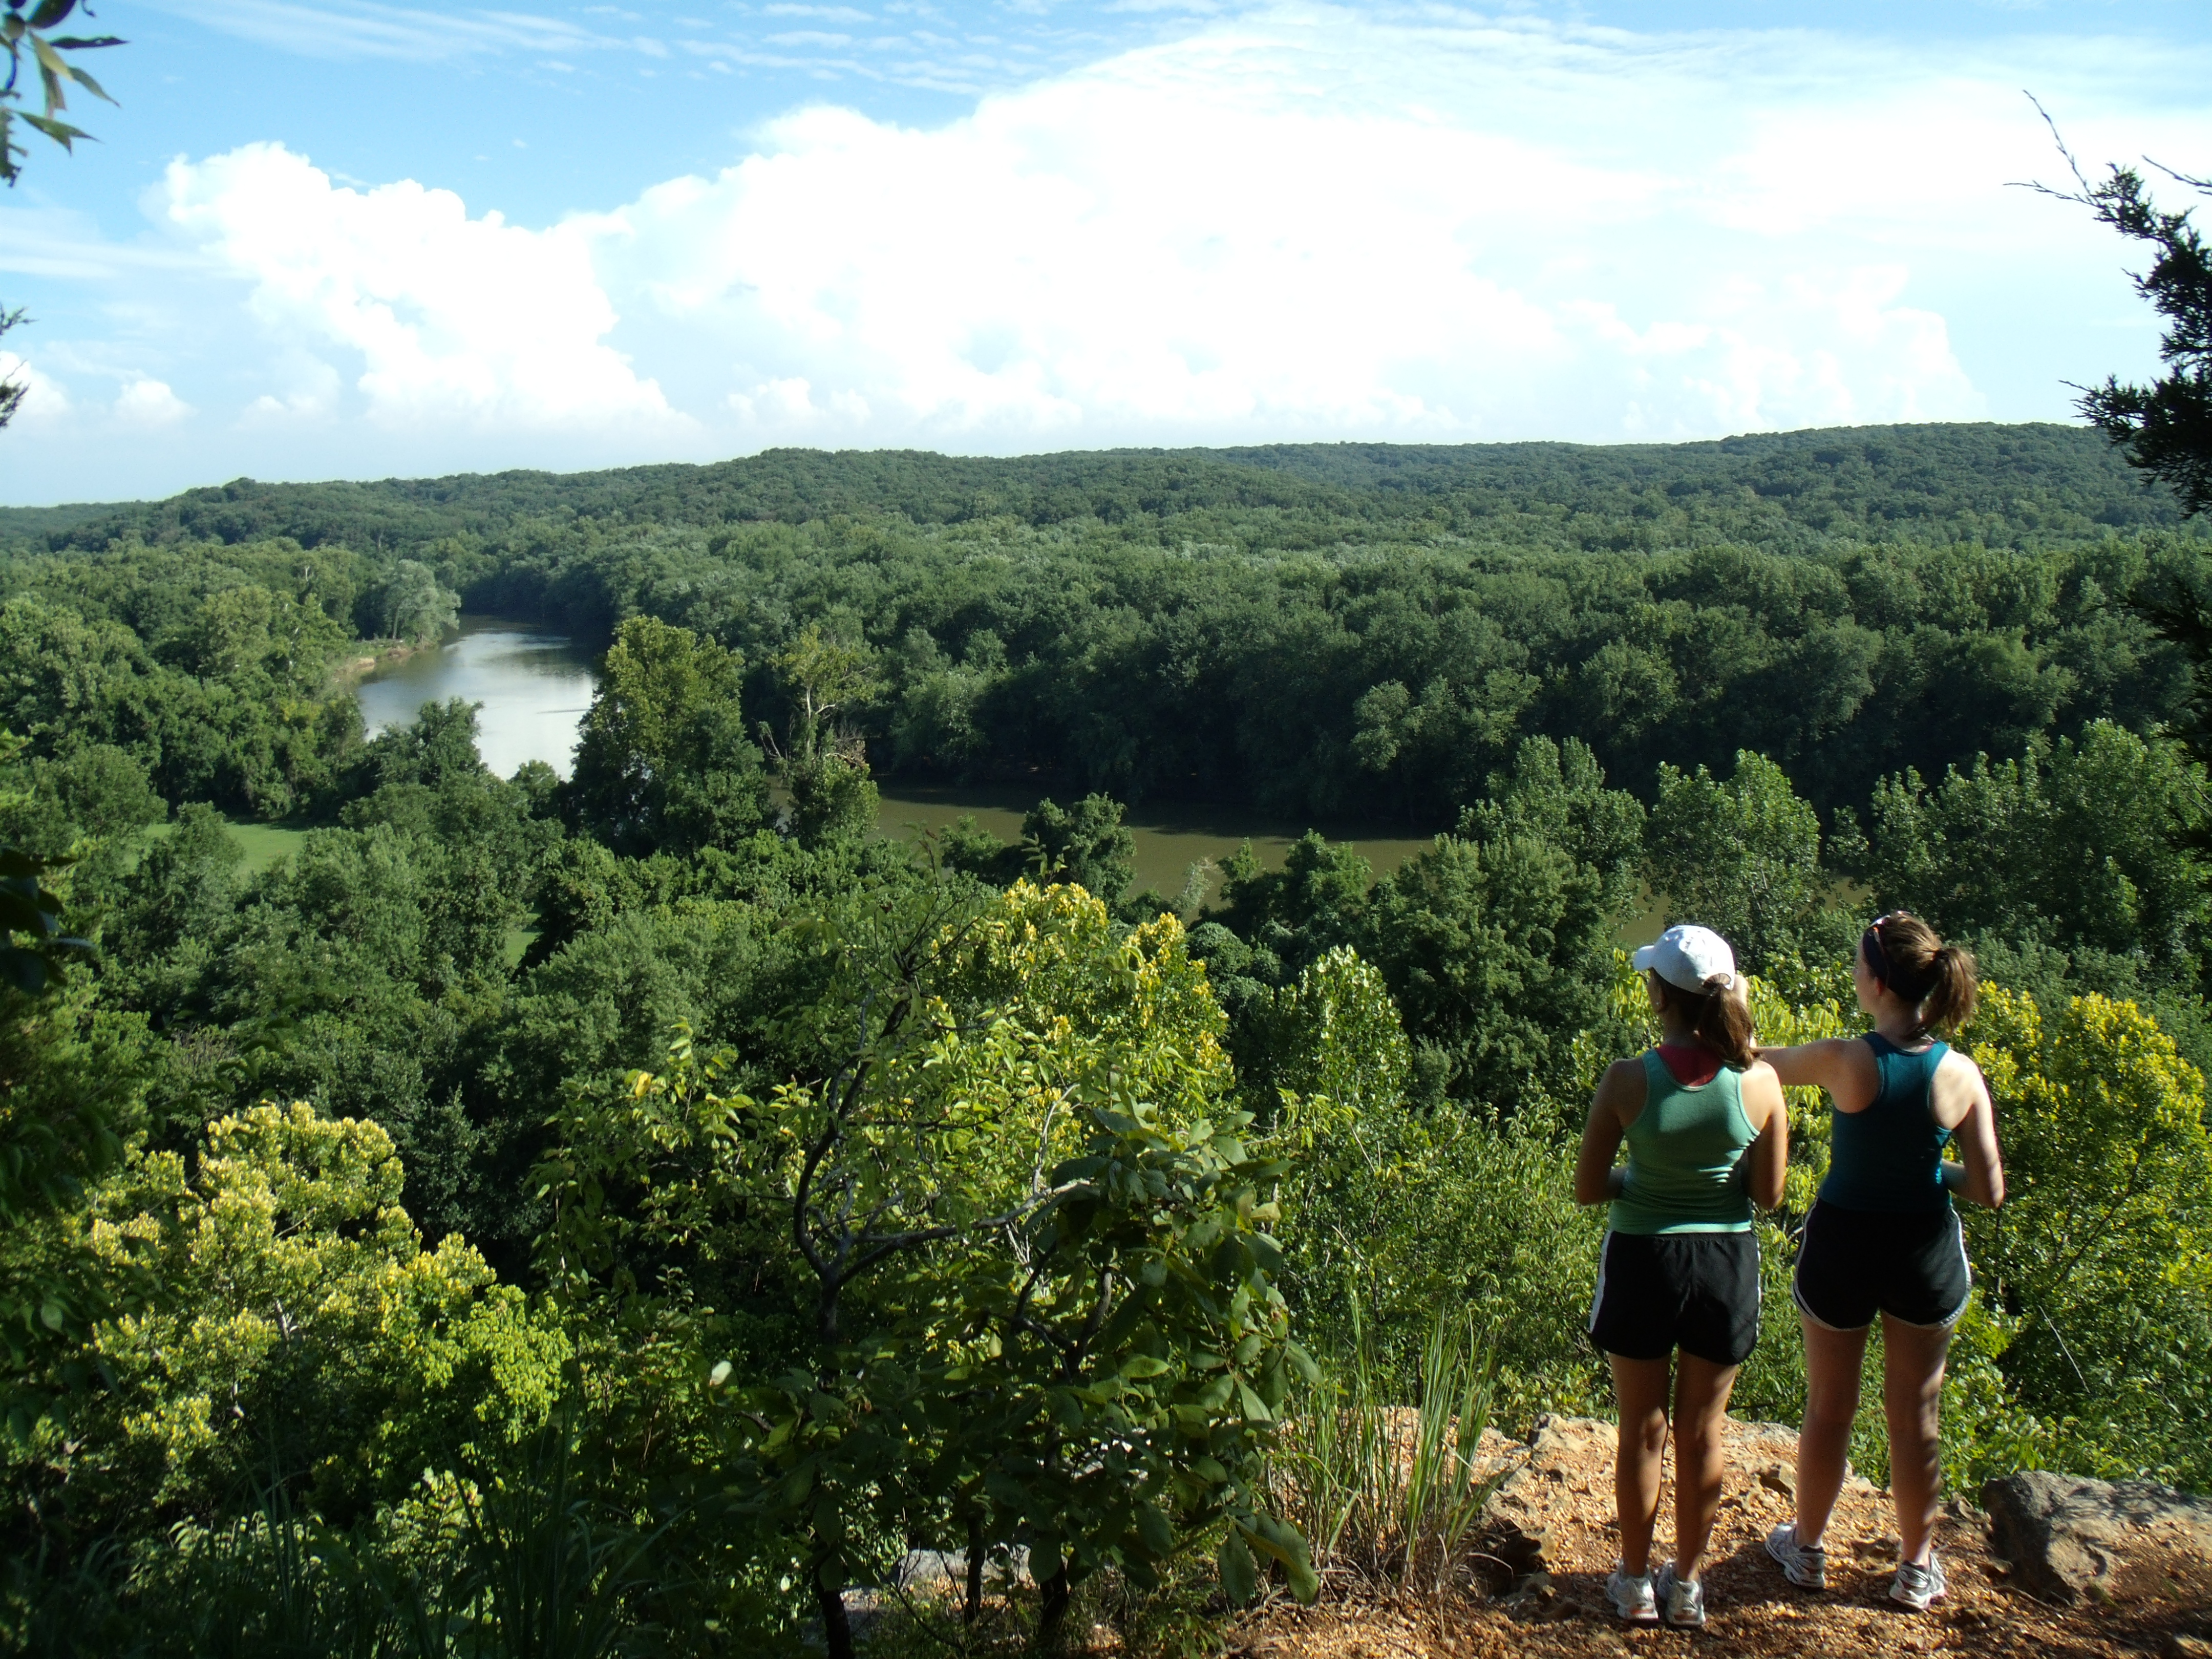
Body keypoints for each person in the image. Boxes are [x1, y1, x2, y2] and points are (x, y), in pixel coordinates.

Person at [1758, 911, 2005, 1613]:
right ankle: (1917, 1567)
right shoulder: (1959, 1073)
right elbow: (1989, 1189)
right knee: (1915, 1413)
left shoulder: (1845, 1060)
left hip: (1843, 1248)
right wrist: (1931, 1169)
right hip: (1923, 1252)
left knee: (1829, 1409)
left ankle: (1805, 1550)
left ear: (1875, 981)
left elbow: (1760, 1061)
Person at [1576, 924, 1788, 1629]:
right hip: (1724, 1263)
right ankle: (1689, 1587)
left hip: (1643, 1257)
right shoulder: (1760, 1082)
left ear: (1658, 992)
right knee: (1703, 1433)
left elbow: (1587, 1187)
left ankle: (1635, 1584)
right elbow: (1769, 1196)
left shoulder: (1628, 1078)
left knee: (1642, 1429)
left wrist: (1643, 1175)